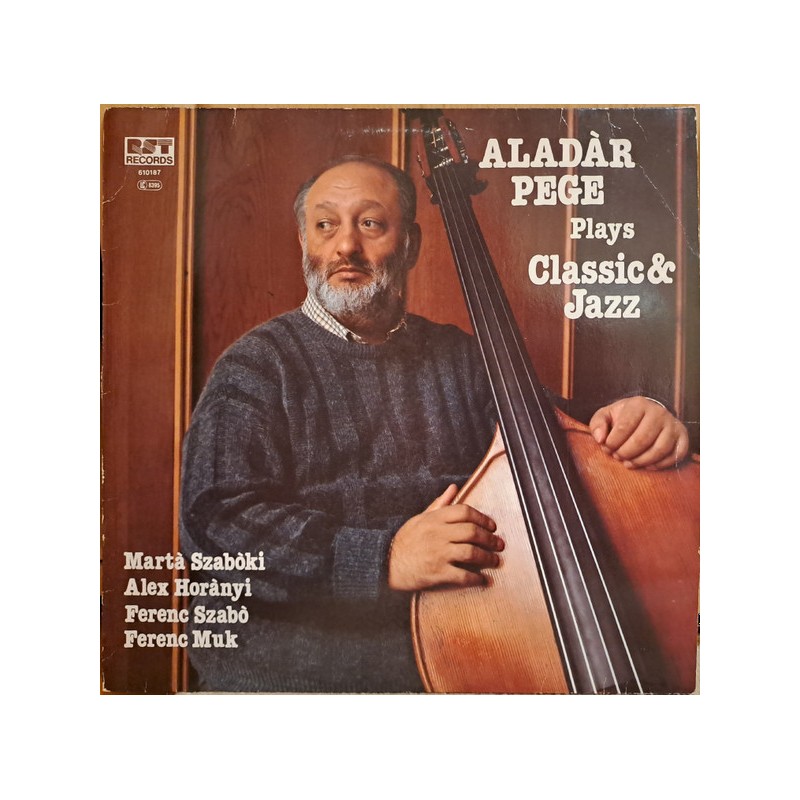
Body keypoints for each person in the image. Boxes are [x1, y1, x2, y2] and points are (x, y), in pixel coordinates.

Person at [179, 155, 690, 693]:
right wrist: (384, 558)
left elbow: (567, 439)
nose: (345, 245)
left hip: (467, 672)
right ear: (305, 242)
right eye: (325, 225)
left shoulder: (462, 359)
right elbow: (217, 525)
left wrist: (644, 415)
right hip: (294, 690)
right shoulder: (257, 366)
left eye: (370, 223)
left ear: (411, 245)